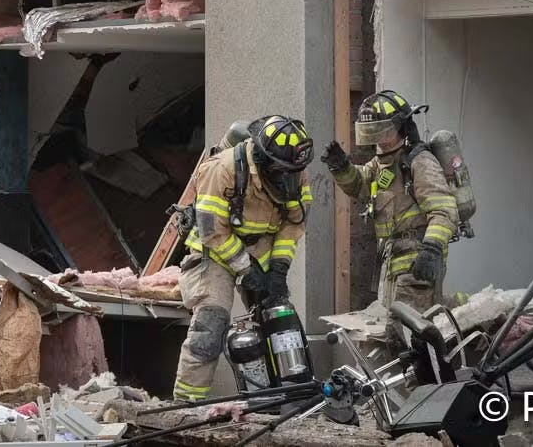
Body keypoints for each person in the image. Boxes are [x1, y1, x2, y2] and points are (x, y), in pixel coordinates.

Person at [171, 115, 314, 402]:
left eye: (292, 171)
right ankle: (187, 403)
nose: (287, 177)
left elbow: (293, 224)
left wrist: (278, 270)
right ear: (262, 158)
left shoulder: (293, 169)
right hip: (216, 251)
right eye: (281, 170)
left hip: (260, 249)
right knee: (211, 323)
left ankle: (281, 399)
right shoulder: (222, 169)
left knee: (280, 320)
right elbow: (213, 231)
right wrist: (247, 271)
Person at [323, 90, 458, 325]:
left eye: (383, 130)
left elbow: (444, 210)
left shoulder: (418, 161)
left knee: (412, 331)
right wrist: (342, 168)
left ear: (400, 127)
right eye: (372, 131)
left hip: (416, 264)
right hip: (392, 264)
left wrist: (432, 249)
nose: (378, 138)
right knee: (395, 330)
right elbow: (360, 186)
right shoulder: (382, 163)